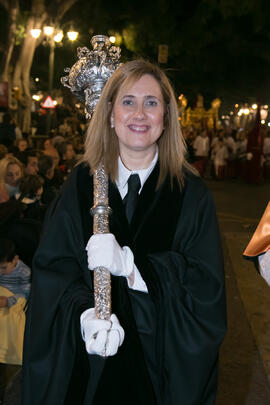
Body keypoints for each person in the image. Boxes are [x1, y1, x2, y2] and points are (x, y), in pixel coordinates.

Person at [22, 59, 227, 405]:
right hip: (87, 371)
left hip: (157, 373)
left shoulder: (191, 194)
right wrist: (84, 315)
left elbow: (205, 290)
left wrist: (133, 267)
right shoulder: (80, 184)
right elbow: (53, 271)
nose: (140, 114)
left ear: (166, 117)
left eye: (151, 103)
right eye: (128, 102)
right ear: (110, 114)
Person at [0, 238, 31, 366]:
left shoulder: (24, 272)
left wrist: (8, 301)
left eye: (3, 268)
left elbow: (25, 293)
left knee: (9, 318)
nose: (0, 272)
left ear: (15, 260)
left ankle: (6, 352)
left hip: (16, 296)